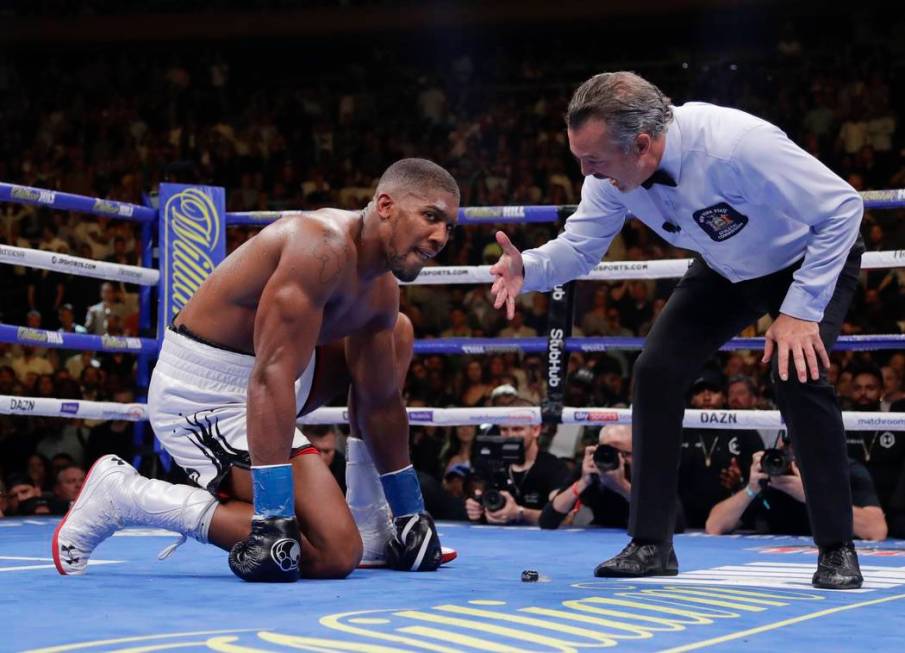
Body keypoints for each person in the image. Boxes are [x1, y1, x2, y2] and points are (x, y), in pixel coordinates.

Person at [490, 72, 865, 588]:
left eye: (593, 159)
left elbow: (844, 208)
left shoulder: (736, 145)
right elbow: (580, 245)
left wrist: (801, 309)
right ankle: (651, 543)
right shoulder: (608, 174)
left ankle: (837, 549)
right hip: (725, 265)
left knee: (796, 375)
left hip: (809, 257)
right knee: (658, 370)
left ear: (642, 144)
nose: (585, 171)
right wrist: (527, 268)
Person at [55, 158, 460, 582]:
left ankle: (373, 524)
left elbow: (380, 404)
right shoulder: (321, 246)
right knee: (334, 553)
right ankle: (125, 496)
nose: (439, 236)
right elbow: (270, 377)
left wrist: (410, 510)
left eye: (450, 226)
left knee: (396, 332)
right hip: (205, 394)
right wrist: (271, 518)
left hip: (277, 379)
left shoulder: (381, 287)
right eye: (430, 216)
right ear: (385, 205)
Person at [706, 441, 887, 541]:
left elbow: (876, 530)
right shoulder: (770, 473)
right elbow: (714, 526)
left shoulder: (842, 470)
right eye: (787, 444)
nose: (793, 452)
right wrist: (750, 489)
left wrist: (811, 495)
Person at [465, 397, 571, 525]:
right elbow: (482, 502)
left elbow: (565, 519)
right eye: (504, 430)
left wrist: (520, 513)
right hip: (496, 540)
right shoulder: (492, 465)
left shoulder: (554, 468)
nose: (510, 436)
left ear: (536, 430)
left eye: (517, 429)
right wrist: (476, 510)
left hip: (541, 541)